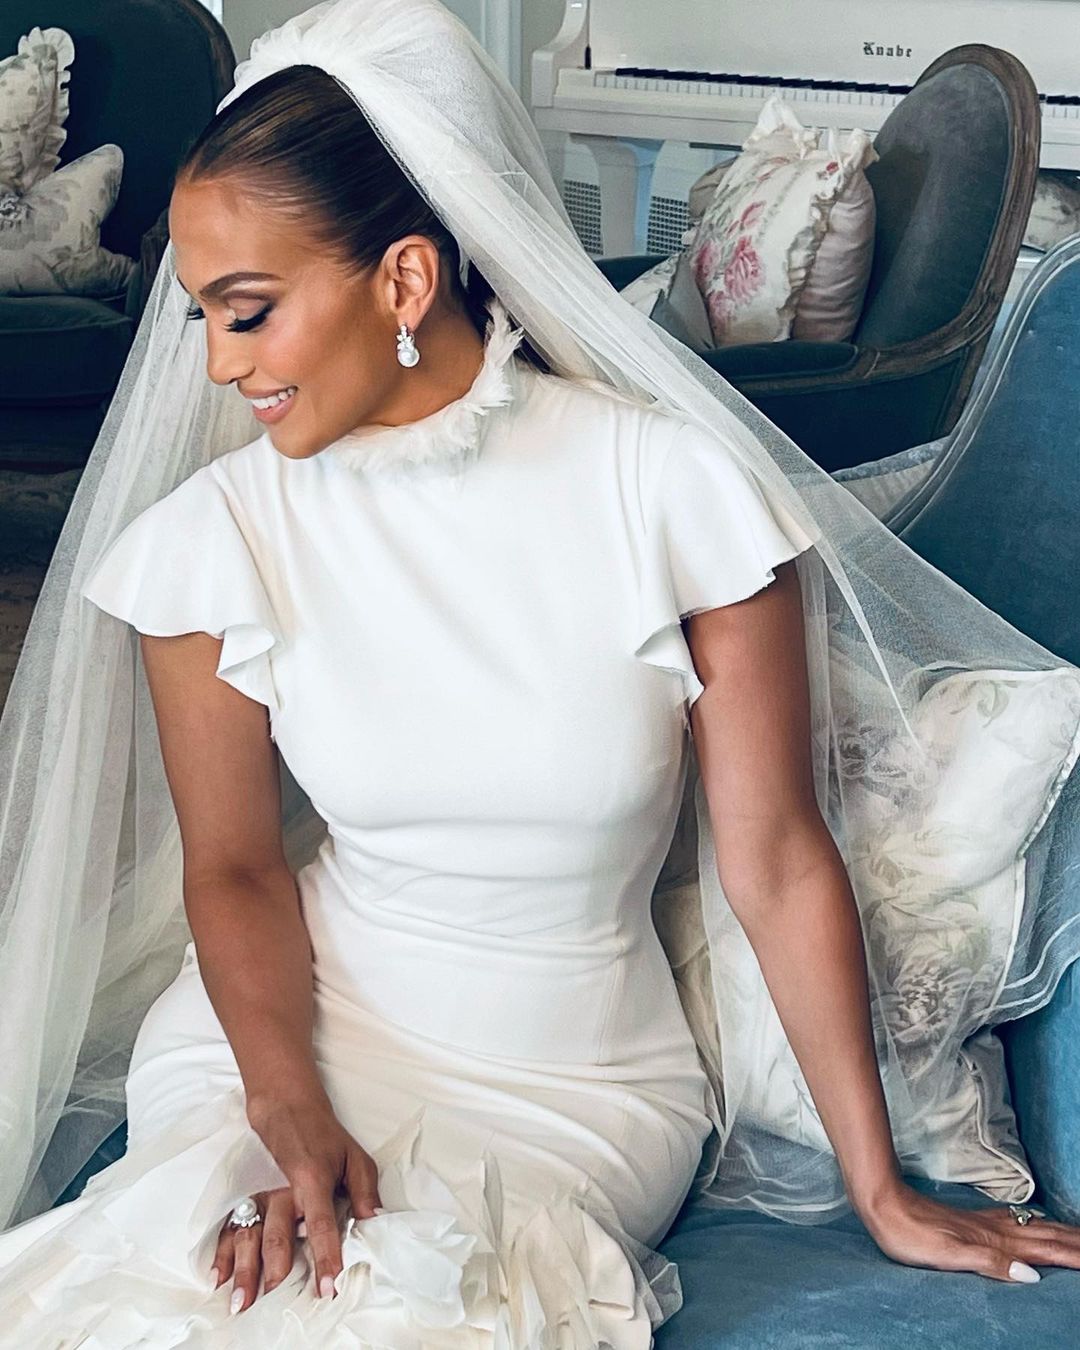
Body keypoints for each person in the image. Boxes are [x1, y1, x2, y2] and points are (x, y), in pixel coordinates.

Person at [1, 1, 1080, 1343]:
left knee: (416, 1309)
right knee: (175, 1296)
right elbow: (235, 871)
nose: (219, 366)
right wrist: (284, 1112)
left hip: (576, 1091)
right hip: (275, 1050)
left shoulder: (672, 492)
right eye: (203, 319)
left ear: (405, 281)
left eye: (249, 314)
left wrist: (883, 1189)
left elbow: (779, 857)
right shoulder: (213, 541)